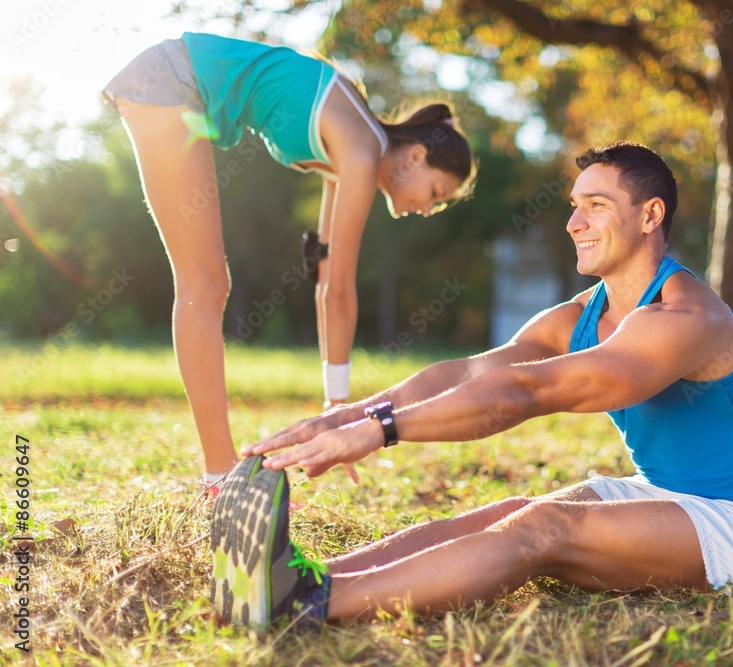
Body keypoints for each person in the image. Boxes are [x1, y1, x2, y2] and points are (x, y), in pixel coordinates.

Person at [209, 141, 733, 631]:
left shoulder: (686, 318)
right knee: (515, 509)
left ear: (650, 215)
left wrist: (380, 432)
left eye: (596, 205)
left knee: (541, 530)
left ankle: (310, 604)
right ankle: (295, 574)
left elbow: (527, 392)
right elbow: (472, 372)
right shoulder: (580, 317)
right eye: (574, 205)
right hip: (662, 494)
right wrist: (344, 418)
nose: (575, 222)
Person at [102, 33, 476, 493]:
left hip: (172, 82)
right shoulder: (361, 152)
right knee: (204, 284)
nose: (427, 209)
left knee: (208, 283)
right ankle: (221, 480)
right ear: (418, 156)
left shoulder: (355, 147)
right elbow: (338, 291)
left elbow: (325, 281)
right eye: (436, 194)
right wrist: (337, 412)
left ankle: (220, 477)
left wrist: (334, 407)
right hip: (172, 83)